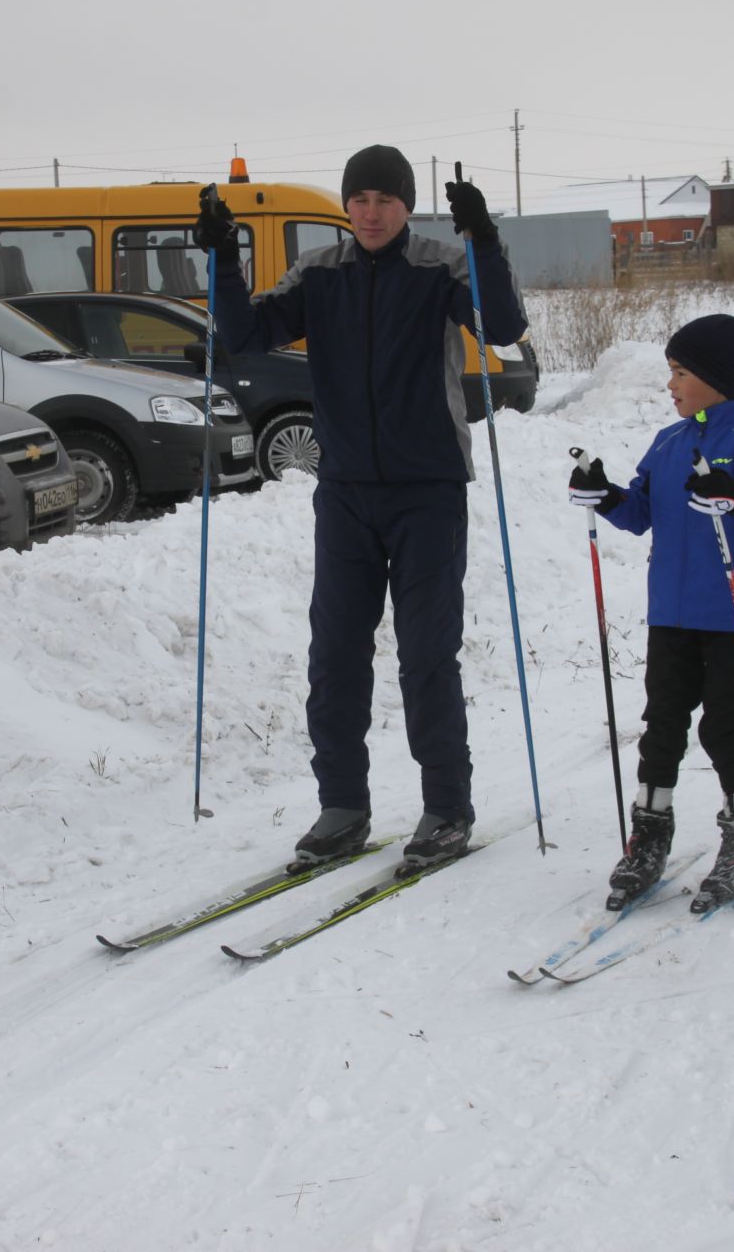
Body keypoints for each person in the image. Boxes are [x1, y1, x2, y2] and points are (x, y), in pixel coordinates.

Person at [194, 145, 527, 872]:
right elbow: (245, 335)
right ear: (346, 207)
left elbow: (500, 326)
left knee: (425, 654)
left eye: (385, 199)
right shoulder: (322, 272)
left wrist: (486, 240)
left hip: (428, 488)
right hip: (344, 489)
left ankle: (446, 808)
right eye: (360, 200)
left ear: (407, 205)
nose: (371, 213)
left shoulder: (439, 265)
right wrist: (223, 258)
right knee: (335, 652)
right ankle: (342, 806)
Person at [566, 314, 734, 912]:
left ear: (718, 379)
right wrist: (606, 494)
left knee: (724, 728)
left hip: (731, 616)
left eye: (680, 373)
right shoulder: (669, 444)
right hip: (669, 615)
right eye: (670, 371)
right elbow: (640, 510)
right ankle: (650, 833)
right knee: (662, 725)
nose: (670, 384)